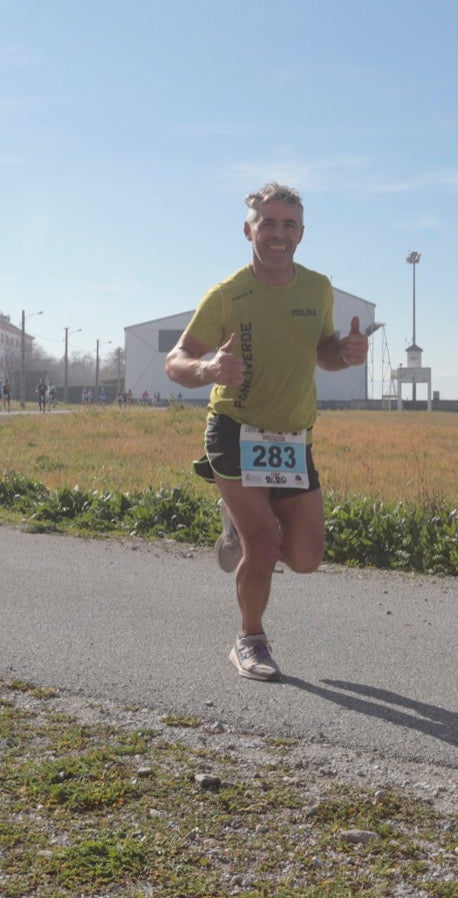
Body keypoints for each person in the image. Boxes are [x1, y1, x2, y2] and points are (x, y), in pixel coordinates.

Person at [164, 182, 367, 682]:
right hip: (234, 430)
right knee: (265, 542)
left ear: (301, 233)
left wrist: (345, 354)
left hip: (291, 439)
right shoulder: (228, 295)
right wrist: (210, 369)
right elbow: (176, 361)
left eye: (289, 224)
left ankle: (233, 519)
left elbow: (322, 351)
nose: (278, 233)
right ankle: (249, 641)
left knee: (305, 557)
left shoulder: (317, 288)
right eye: (268, 223)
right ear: (248, 229)